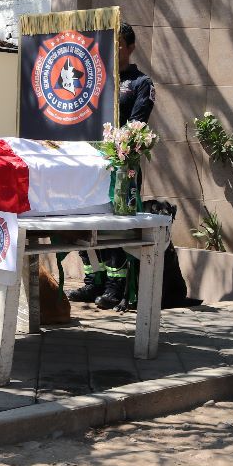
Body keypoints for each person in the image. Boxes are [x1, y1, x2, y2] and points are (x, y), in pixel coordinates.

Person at [67, 23, 155, 309]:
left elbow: (137, 124)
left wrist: (115, 147)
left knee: (115, 226)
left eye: (118, 44)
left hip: (120, 165)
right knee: (83, 222)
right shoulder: (94, 80)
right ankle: (95, 281)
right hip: (88, 166)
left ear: (130, 48)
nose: (113, 50)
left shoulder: (141, 83)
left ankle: (117, 286)